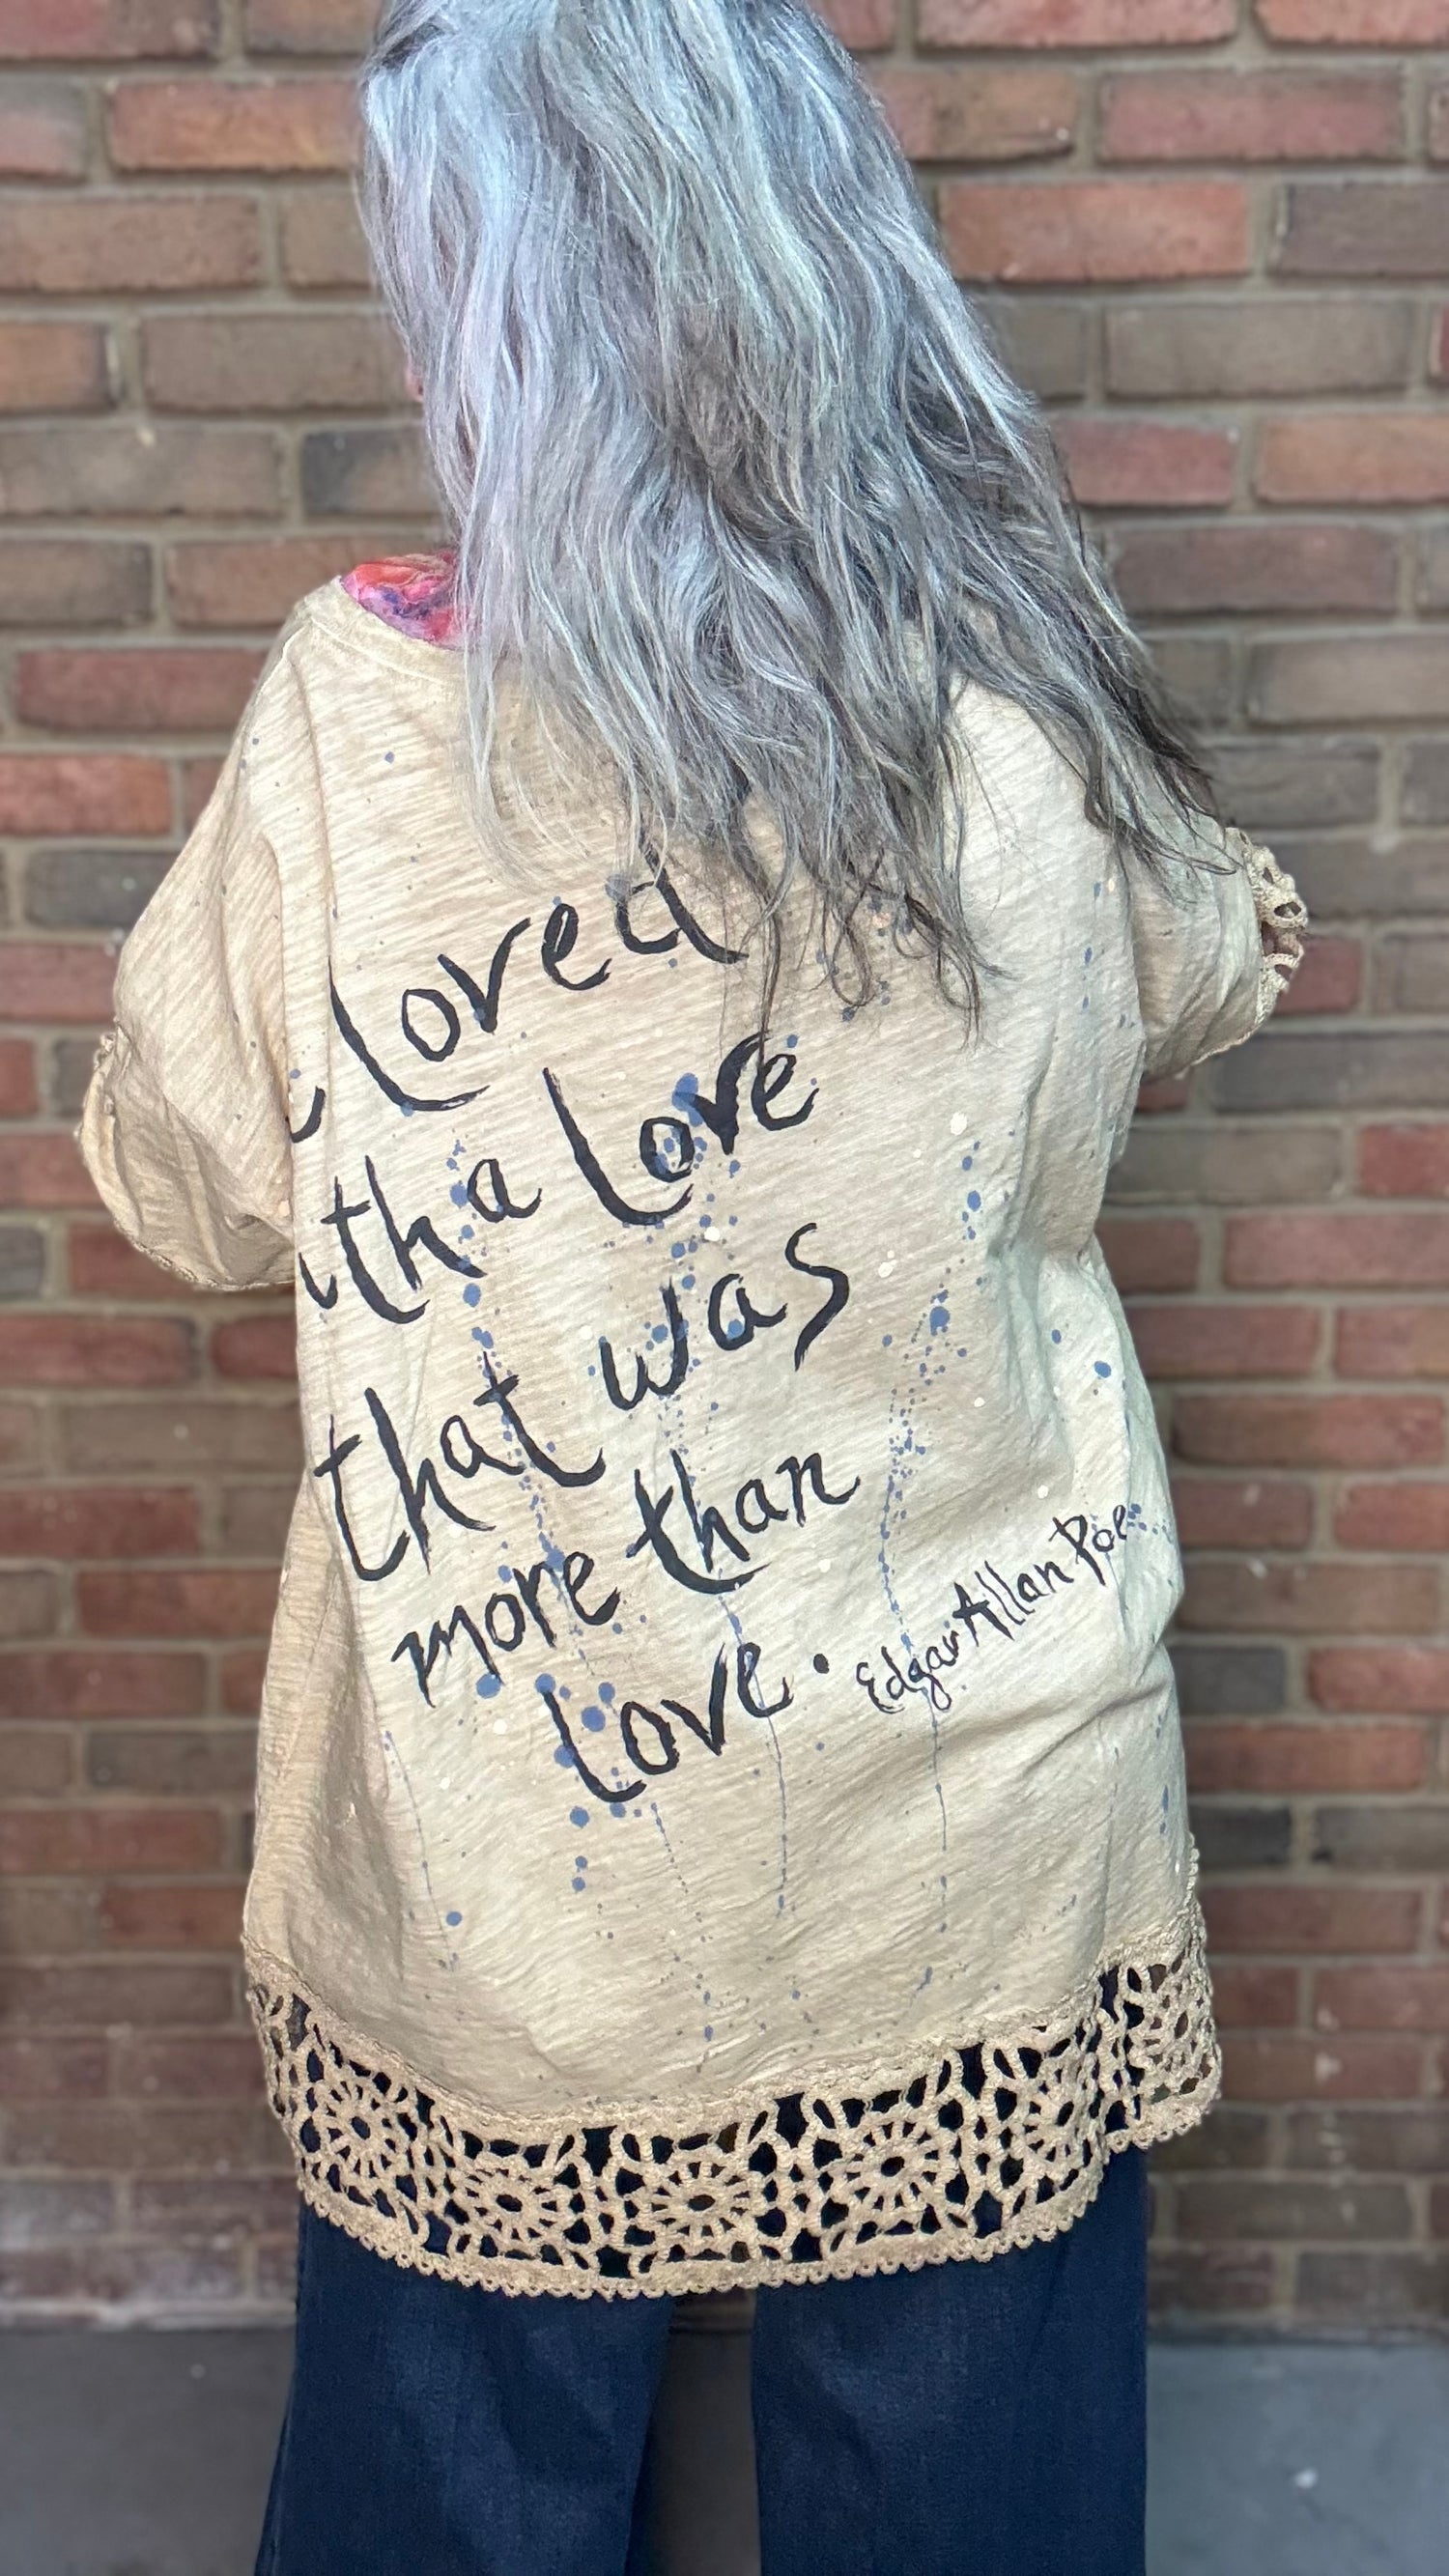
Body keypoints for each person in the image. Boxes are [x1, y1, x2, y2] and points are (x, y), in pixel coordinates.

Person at [77, 4, 1306, 2570]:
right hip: (973, 1796)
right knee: (972, 2494)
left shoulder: (357, 719)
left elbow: (180, 1178)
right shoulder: (1015, 684)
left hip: (508, 1830)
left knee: (460, 2471)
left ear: (507, 312)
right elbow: (1188, 990)